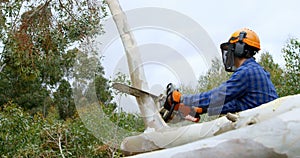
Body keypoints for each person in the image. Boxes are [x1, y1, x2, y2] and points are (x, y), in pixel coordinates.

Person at [167, 28, 278, 121]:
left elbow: (217, 96)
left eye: (231, 49)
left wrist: (181, 99)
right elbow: (236, 104)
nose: (229, 54)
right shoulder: (259, 71)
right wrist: (201, 109)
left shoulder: (247, 72)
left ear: (239, 49)